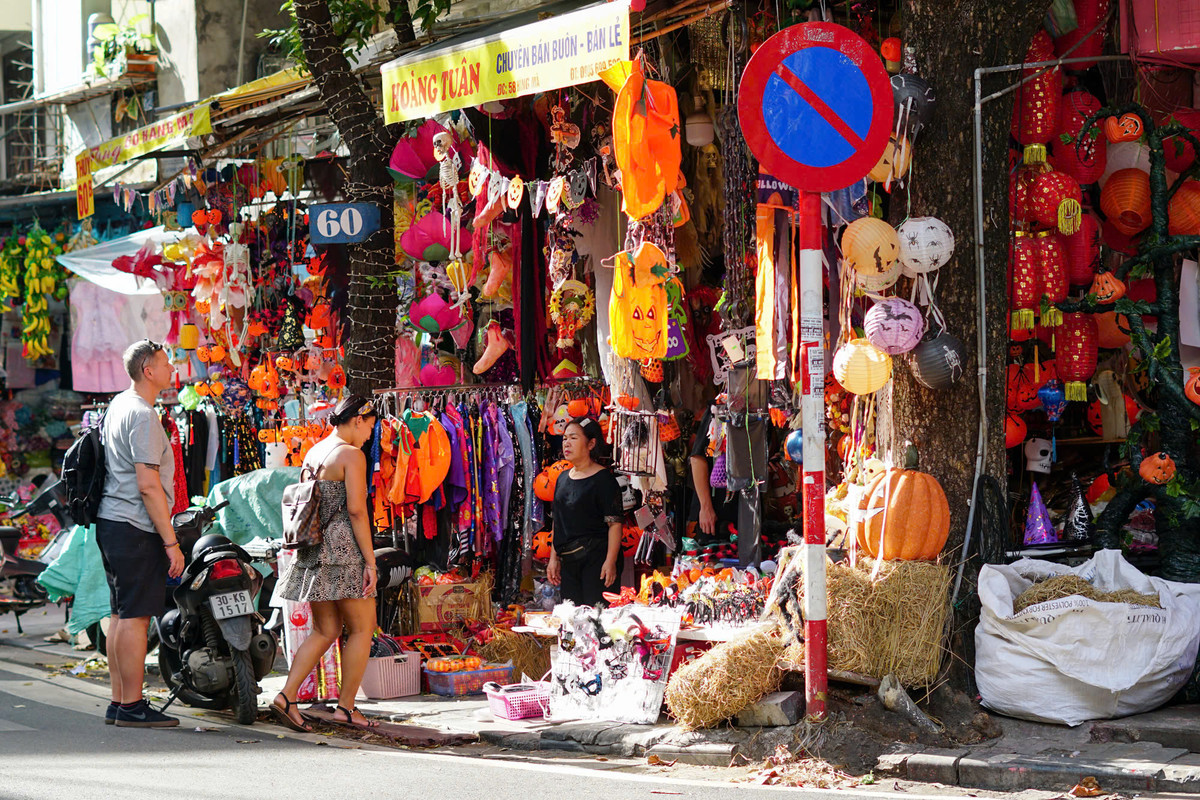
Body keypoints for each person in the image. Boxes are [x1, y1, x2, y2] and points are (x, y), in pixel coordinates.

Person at [271, 395, 379, 732]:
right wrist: (371, 562)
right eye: (369, 427)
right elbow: (357, 511)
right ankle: (346, 708)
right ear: (358, 420)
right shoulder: (352, 455)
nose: (369, 436)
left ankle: (286, 696)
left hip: (313, 550)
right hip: (343, 551)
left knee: (325, 630)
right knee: (362, 628)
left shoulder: (314, 452)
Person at [96, 339, 182, 728]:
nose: (172, 368)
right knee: (135, 618)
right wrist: (170, 541)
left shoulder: (119, 404)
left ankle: (119, 702)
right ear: (149, 371)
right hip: (135, 526)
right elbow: (148, 485)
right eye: (166, 363)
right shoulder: (144, 415)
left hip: (112, 522)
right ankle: (131, 705)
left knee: (120, 614)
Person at [546, 418, 623, 606]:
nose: (567, 443)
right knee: (572, 616)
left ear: (591, 444)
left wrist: (610, 561)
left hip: (597, 561)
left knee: (597, 616)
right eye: (565, 438)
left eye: (573, 438)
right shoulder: (562, 478)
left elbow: (615, 524)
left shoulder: (604, 480)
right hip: (569, 563)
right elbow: (558, 521)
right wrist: (553, 558)